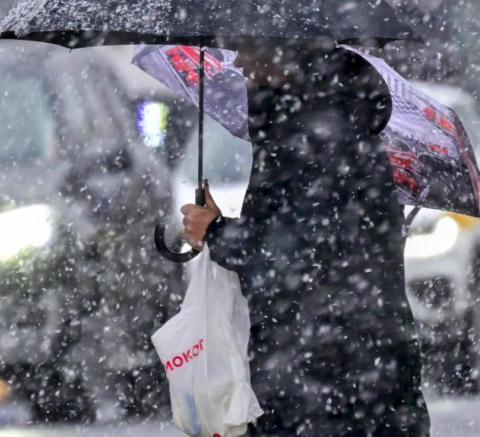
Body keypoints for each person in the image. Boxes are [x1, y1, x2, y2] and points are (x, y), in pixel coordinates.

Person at [181, 40, 430, 436]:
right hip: (348, 367)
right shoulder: (321, 123)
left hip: (329, 374)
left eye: (248, 48)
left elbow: (300, 253)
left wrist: (216, 232)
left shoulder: (316, 136)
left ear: (287, 55)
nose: (239, 63)